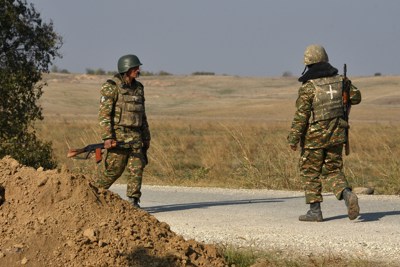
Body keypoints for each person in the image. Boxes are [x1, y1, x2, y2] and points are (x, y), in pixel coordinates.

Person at [287, 44, 361, 222]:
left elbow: (301, 117)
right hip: (337, 134)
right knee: (333, 170)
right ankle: (347, 194)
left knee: (310, 171)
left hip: (314, 138)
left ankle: (315, 211)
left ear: (307, 62)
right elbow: (356, 97)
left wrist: (293, 139)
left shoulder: (308, 87)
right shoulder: (341, 81)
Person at [94, 54, 151, 208]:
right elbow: (104, 114)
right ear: (126, 69)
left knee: (137, 168)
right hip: (118, 136)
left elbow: (142, 114)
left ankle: (133, 201)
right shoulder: (111, 86)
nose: (138, 70)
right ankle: (91, 194)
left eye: (138, 67)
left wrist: (146, 136)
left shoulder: (139, 88)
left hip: (136, 136)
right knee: (114, 169)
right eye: (135, 68)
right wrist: (107, 137)